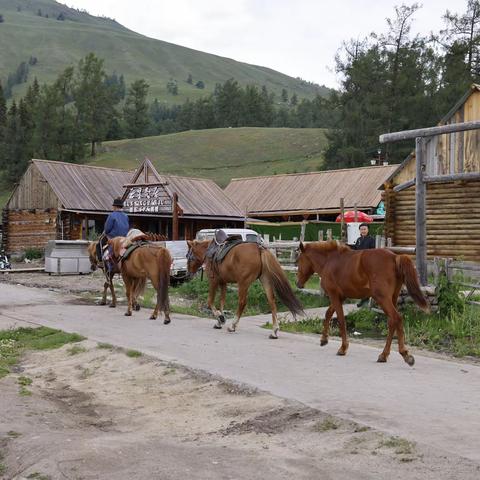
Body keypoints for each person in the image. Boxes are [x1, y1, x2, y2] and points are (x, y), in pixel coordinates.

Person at [96, 198, 130, 264]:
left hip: (113, 237)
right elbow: (127, 227)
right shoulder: (126, 216)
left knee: (98, 244)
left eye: (113, 206)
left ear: (115, 207)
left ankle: (101, 261)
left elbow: (107, 229)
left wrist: (104, 233)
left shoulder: (111, 215)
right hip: (124, 238)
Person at [352, 223, 375, 307]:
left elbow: (373, 251)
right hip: (359, 263)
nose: (363, 231)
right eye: (361, 229)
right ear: (359, 231)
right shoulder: (358, 239)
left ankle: (366, 299)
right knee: (360, 282)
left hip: (368, 264)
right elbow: (355, 249)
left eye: (364, 229)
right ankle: (363, 298)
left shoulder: (372, 240)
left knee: (367, 282)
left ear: (368, 230)